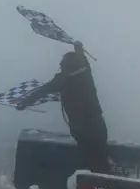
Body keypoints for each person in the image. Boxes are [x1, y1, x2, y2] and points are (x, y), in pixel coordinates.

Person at [14, 41, 109, 173]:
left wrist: (24, 103)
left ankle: (93, 181)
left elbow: (42, 91)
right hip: (96, 124)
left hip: (81, 127)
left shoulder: (62, 80)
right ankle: (104, 181)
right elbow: (82, 59)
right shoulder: (85, 72)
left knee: (89, 159)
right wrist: (78, 48)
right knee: (100, 158)